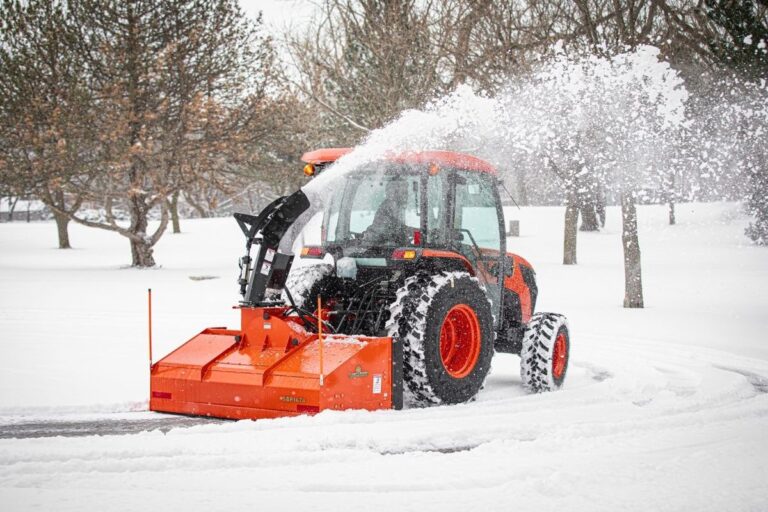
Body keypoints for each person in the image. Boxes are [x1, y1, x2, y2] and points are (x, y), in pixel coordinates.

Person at [362, 179, 410, 245]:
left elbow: (398, 226)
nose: (406, 195)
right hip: (383, 250)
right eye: (404, 192)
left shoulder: (398, 208)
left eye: (406, 192)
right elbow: (379, 231)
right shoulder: (386, 209)